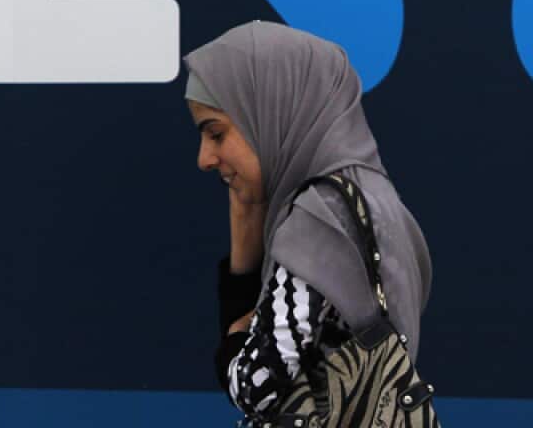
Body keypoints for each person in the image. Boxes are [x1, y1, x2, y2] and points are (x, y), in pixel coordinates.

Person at [183, 21, 432, 423]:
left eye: (216, 133)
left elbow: (255, 387)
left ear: (270, 112)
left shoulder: (318, 223)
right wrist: (247, 224)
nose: (204, 158)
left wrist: (234, 342)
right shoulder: (374, 198)